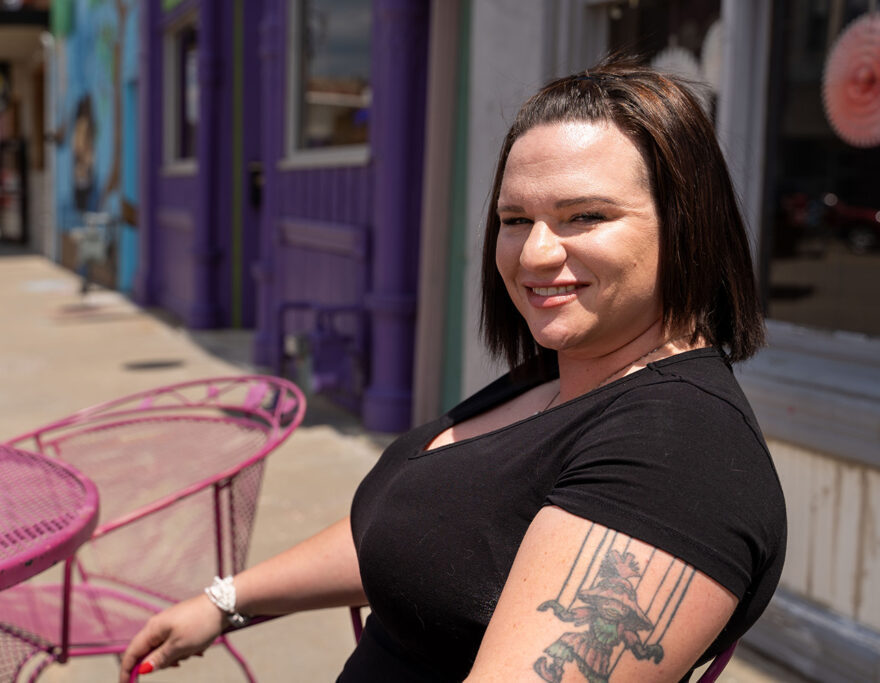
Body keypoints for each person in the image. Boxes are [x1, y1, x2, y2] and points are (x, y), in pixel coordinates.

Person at [119, 56, 786, 683]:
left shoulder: (677, 459)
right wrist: (226, 600)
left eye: (586, 215)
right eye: (515, 219)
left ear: (687, 225)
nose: (536, 253)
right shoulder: (562, 372)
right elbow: (423, 531)